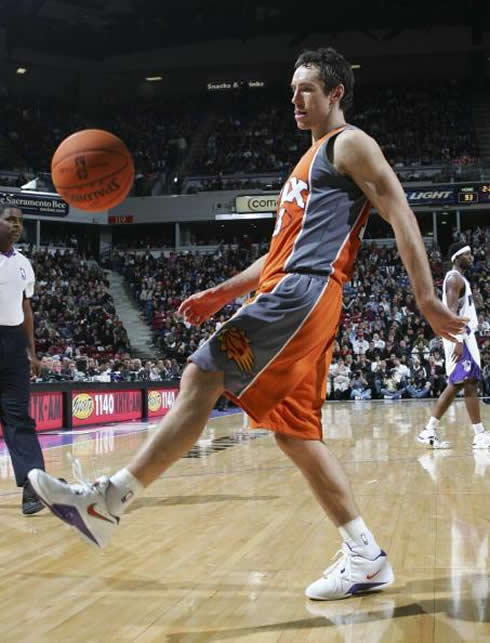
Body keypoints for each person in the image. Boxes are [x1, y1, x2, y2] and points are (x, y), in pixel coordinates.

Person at [28, 47, 465, 601]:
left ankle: (107, 501)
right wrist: (221, 292)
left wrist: (424, 296)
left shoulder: (348, 143)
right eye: (292, 90)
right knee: (294, 433)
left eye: (306, 89)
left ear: (335, 93)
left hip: (300, 295)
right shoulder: (304, 167)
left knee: (203, 372)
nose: (294, 99)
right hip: (294, 294)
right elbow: (274, 255)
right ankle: (366, 556)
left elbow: (399, 209)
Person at [417, 242, 490, 449]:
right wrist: (458, 340)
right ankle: (479, 434)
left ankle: (429, 430)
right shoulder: (454, 278)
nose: (472, 257)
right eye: (467, 254)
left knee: (458, 383)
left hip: (463, 335)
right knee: (469, 383)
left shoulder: (459, 278)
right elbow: (451, 311)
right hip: (461, 336)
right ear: (456, 257)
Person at [0, 207, 46, 514]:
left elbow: (26, 309)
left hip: (13, 345)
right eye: (9, 219)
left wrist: (31, 351)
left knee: (18, 418)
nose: (16, 226)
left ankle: (33, 486)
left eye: (20, 221)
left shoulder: (23, 264)